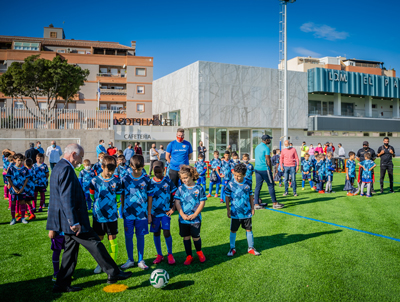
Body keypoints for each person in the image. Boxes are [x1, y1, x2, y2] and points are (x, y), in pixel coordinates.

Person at [46, 144, 132, 293]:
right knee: (94, 243)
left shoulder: (58, 166)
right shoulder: (66, 169)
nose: (80, 161)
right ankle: (113, 272)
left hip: (67, 220)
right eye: (80, 157)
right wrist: (73, 222)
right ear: (73, 154)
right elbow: (66, 198)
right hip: (74, 221)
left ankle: (61, 283)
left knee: (70, 253)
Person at [89, 155, 122, 274]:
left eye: (112, 171)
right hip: (98, 216)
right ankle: (100, 264)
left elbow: (118, 197)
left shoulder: (117, 181)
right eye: (108, 171)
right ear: (102, 167)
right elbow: (92, 196)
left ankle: (112, 264)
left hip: (112, 216)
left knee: (112, 238)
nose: (110, 174)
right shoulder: (94, 181)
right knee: (99, 240)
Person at [120, 155, 154, 271]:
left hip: (142, 215)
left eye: (138, 169)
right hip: (128, 214)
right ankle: (130, 260)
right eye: (134, 169)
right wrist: (122, 209)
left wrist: (149, 214)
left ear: (143, 167)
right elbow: (122, 195)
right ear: (130, 166)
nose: (136, 171)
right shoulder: (125, 179)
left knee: (140, 236)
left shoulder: (147, 180)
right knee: (128, 236)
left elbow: (150, 197)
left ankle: (140, 260)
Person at [174, 165, 207, 265]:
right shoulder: (180, 189)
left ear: (192, 176)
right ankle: (189, 256)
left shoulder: (199, 188)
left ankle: (199, 252)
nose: (184, 180)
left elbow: (202, 202)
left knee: (196, 237)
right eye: (182, 178)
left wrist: (195, 214)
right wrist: (182, 215)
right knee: (186, 237)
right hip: (183, 219)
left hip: (195, 219)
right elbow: (177, 202)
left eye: (186, 178)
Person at [225, 163, 260, 257]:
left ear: (244, 175)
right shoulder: (230, 184)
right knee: (233, 230)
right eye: (235, 175)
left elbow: (250, 195)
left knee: (249, 229)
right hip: (235, 213)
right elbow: (227, 197)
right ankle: (232, 248)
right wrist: (228, 209)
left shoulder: (248, 182)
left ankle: (251, 248)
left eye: (239, 176)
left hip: (246, 212)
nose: (236, 177)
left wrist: (252, 208)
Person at [150, 161, 177, 265]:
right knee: (156, 232)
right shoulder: (150, 183)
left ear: (164, 170)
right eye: (155, 172)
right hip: (154, 214)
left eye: (159, 172)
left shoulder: (168, 181)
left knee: (166, 232)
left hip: (165, 213)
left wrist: (173, 208)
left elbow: (176, 195)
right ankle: (159, 255)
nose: (157, 174)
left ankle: (170, 254)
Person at [254, 135, 281, 209]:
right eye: (269, 139)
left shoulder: (257, 147)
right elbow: (268, 160)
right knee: (271, 185)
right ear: (266, 140)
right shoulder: (266, 148)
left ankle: (256, 204)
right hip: (265, 169)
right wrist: (270, 168)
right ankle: (275, 203)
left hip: (257, 168)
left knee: (257, 187)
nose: (270, 140)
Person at [6, 153, 30, 225]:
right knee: (13, 203)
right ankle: (13, 219)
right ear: (14, 160)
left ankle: (23, 218)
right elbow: (9, 178)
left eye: (21, 160)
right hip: (14, 189)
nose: (20, 162)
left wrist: (22, 188)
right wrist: (13, 187)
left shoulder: (25, 169)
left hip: (22, 189)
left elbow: (26, 179)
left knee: (22, 202)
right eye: (18, 160)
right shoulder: (11, 168)